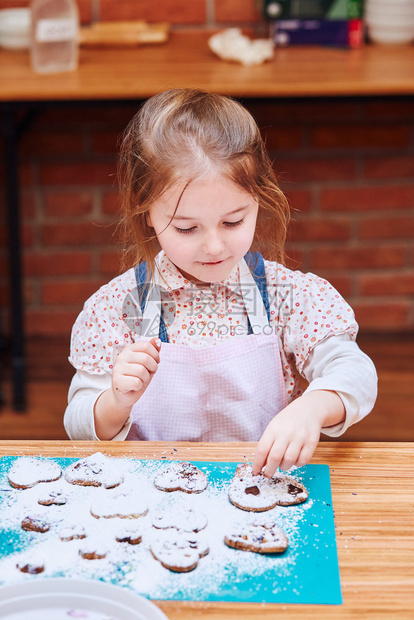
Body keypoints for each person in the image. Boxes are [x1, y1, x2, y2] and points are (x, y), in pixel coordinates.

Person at [64, 88, 377, 477]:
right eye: (187, 227)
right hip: (153, 503)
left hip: (261, 493)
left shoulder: (285, 295)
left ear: (258, 199)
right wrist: (115, 400)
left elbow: (356, 374)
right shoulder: (119, 308)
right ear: (146, 212)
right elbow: (77, 423)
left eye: (233, 221)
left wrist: (313, 408)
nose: (214, 246)